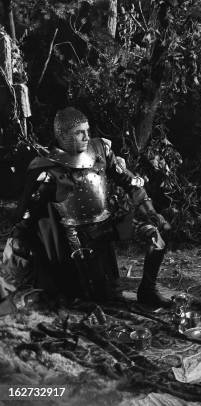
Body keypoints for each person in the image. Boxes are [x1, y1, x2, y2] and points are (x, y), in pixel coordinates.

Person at [0, 107, 172, 308]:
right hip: (77, 238)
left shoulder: (100, 150)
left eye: (87, 130)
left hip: (108, 224)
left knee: (159, 232)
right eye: (79, 132)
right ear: (62, 135)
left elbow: (130, 182)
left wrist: (151, 212)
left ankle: (148, 291)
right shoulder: (49, 167)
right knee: (96, 298)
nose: (86, 136)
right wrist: (18, 241)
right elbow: (30, 213)